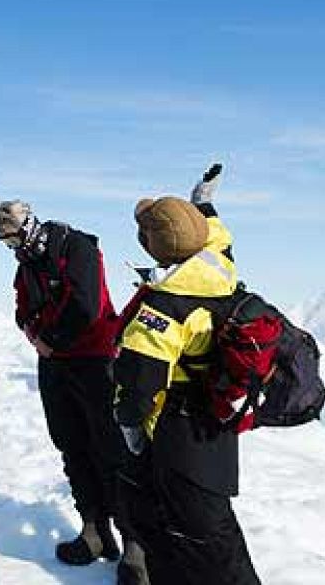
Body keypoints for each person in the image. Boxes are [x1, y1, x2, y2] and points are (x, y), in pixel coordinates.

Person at [114, 165, 261, 585]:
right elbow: (217, 236)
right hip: (216, 420)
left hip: (178, 434)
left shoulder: (161, 309)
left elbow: (139, 384)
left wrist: (130, 428)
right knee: (216, 532)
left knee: (195, 536)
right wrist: (204, 204)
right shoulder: (218, 269)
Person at [0, 201, 144, 581]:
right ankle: (94, 531)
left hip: (95, 361)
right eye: (3, 240)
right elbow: (21, 307)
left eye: (10, 236)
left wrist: (52, 341)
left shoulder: (77, 249)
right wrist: (33, 333)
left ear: (25, 226)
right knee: (72, 445)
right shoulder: (27, 260)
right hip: (56, 363)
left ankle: (134, 546)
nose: (9, 246)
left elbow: (87, 307)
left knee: (111, 450)